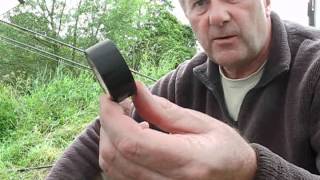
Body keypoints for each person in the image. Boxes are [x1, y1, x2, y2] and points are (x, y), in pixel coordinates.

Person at [47, 0, 320, 179]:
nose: (217, 16)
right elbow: (98, 136)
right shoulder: (182, 82)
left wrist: (251, 169)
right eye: (200, 3)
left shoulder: (314, 70)